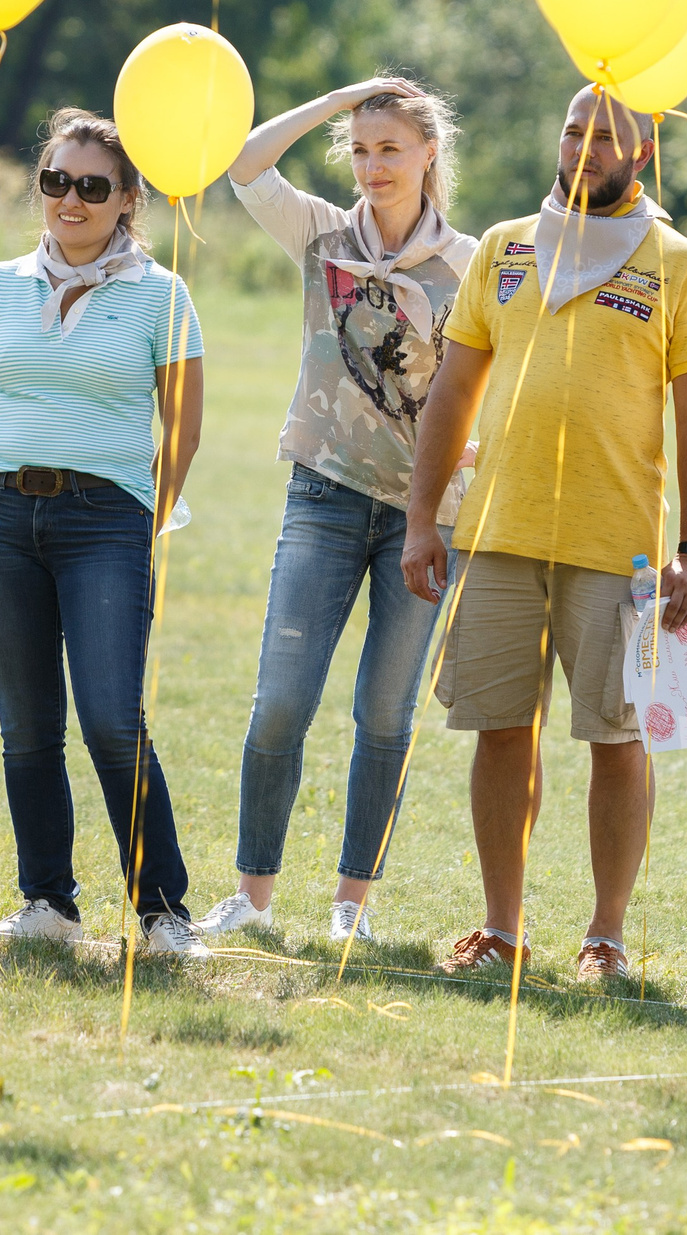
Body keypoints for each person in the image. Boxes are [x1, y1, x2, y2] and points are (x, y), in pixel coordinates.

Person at [402, 85, 687, 982]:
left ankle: (606, 935)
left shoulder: (680, 263)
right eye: (574, 129)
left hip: (617, 546)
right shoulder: (507, 247)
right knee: (500, 729)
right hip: (497, 532)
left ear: (644, 151)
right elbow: (451, 393)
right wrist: (422, 519)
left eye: (607, 136)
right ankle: (502, 927)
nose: (585, 148)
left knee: (616, 737)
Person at [198, 76, 477, 946]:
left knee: (385, 713)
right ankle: (252, 894)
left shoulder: (471, 262)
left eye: (390, 147)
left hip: (424, 514)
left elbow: (490, 383)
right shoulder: (322, 234)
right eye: (359, 149)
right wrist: (348, 97)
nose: (372, 165)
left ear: (430, 153)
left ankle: (352, 904)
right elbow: (245, 166)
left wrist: (466, 449)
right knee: (281, 700)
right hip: (321, 493)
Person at [0, 109, 209, 962]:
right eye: (55, 180)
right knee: (26, 726)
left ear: (127, 198)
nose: (70, 199)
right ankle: (47, 902)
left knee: (111, 719)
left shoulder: (162, 294)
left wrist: (139, 510)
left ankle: (163, 912)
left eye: (92, 186)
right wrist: (20, 464)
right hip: (1, 518)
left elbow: (183, 429)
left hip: (107, 523)